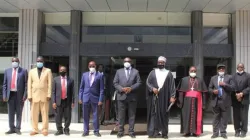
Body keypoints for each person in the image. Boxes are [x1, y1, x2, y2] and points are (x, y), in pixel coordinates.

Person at [146, 56, 176, 139]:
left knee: (164, 115)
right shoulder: (152, 72)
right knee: (154, 115)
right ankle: (153, 132)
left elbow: (172, 86)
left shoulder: (168, 73)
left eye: (162, 62)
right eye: (159, 62)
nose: (160, 63)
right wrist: (152, 88)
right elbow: (147, 82)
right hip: (154, 97)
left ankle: (164, 133)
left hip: (165, 98)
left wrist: (172, 96)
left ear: (165, 63)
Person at [113, 57, 141, 138]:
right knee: (121, 115)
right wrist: (121, 89)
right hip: (121, 96)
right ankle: (120, 131)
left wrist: (131, 88)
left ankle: (131, 131)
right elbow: (115, 83)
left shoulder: (136, 72)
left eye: (128, 61)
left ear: (131, 62)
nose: (127, 62)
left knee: (132, 115)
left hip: (132, 96)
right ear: (123, 62)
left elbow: (139, 82)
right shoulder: (119, 71)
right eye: (125, 61)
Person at [177, 66, 207, 137]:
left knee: (196, 115)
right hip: (186, 101)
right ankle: (186, 131)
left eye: (194, 71)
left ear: (196, 72)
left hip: (197, 101)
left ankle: (195, 132)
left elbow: (204, 93)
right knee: (186, 116)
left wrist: (204, 103)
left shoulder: (200, 80)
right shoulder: (184, 80)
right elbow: (181, 92)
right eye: (191, 71)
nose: (193, 72)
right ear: (189, 71)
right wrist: (180, 102)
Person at [28, 56, 53, 136]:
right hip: (34, 95)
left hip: (44, 95)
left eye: (41, 61)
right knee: (34, 114)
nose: (39, 62)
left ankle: (45, 129)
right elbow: (29, 85)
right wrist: (29, 95)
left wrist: (49, 94)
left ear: (43, 62)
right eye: (38, 61)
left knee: (45, 113)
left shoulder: (48, 71)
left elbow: (50, 84)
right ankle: (35, 129)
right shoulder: (31, 71)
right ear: (36, 62)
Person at [2, 57, 28, 135]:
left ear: (18, 62)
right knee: (11, 112)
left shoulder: (23, 71)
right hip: (10, 95)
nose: (14, 62)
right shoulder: (7, 71)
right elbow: (5, 84)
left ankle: (17, 128)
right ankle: (11, 128)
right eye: (13, 61)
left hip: (19, 95)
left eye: (16, 61)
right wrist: (4, 95)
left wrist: (25, 95)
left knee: (19, 112)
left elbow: (26, 85)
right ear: (11, 62)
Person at [79, 61, 104, 137]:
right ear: (88, 66)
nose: (91, 67)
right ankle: (86, 131)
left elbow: (101, 89)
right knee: (85, 115)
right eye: (90, 66)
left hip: (95, 99)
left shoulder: (100, 75)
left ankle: (96, 131)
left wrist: (100, 100)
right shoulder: (84, 75)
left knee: (95, 116)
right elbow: (81, 88)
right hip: (85, 98)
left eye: (93, 66)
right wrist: (80, 97)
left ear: (95, 66)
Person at [209, 64, 234, 139]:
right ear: (217, 70)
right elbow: (209, 88)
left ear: (225, 70)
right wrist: (213, 91)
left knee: (224, 118)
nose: (221, 70)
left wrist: (225, 84)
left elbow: (233, 87)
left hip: (225, 101)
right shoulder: (213, 78)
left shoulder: (229, 77)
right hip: (216, 100)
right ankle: (215, 133)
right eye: (219, 69)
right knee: (215, 118)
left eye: (222, 69)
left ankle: (223, 133)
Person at [52, 66, 74, 136]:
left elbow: (72, 92)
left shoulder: (71, 80)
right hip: (58, 101)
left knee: (68, 116)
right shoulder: (55, 79)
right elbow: (53, 92)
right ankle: (59, 130)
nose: (62, 71)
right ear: (59, 71)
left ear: (66, 71)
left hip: (67, 100)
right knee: (58, 116)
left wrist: (73, 101)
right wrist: (53, 102)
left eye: (64, 70)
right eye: (61, 70)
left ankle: (66, 129)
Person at [231, 63, 250, 138]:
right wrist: (237, 94)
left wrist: (242, 93)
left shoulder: (248, 76)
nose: (240, 68)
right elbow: (232, 85)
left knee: (244, 116)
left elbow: (249, 87)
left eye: (241, 67)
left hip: (245, 98)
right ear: (237, 68)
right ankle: (237, 130)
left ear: (244, 68)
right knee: (236, 116)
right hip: (235, 98)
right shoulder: (233, 76)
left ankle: (244, 131)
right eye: (239, 67)